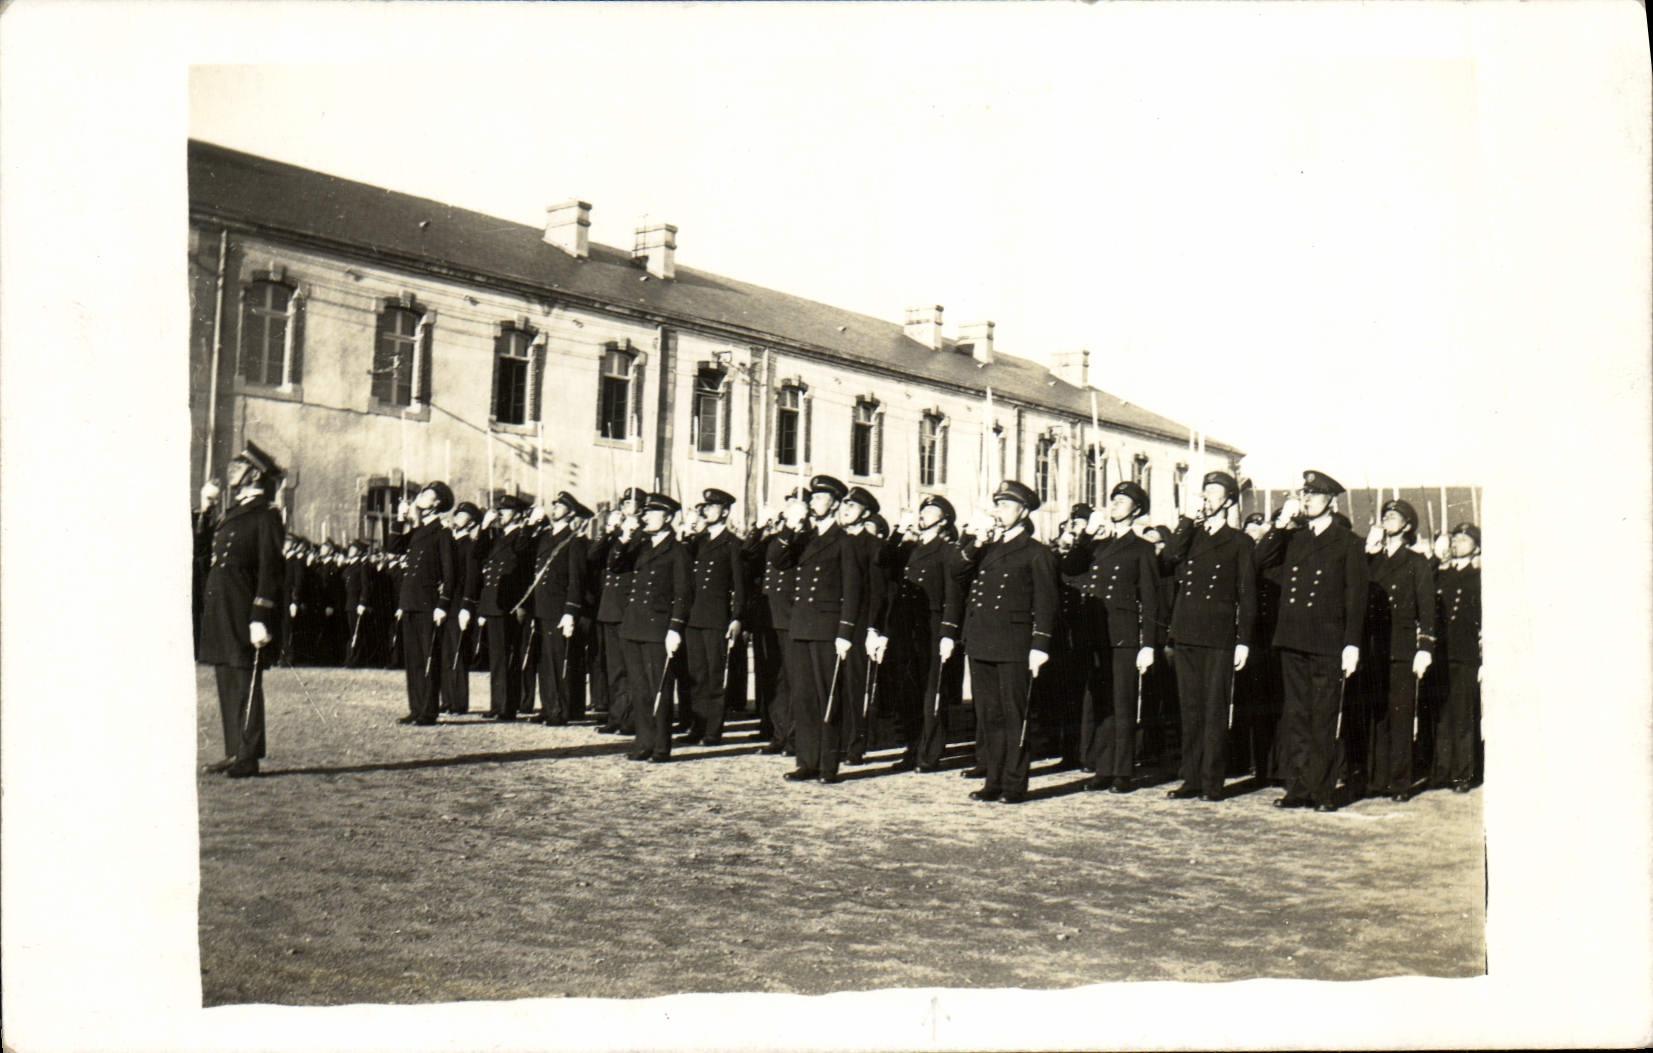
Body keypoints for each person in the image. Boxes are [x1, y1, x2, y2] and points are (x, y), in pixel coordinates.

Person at [1253, 470, 1369, 812]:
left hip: (1328, 640)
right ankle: (1298, 787)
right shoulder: (1295, 538)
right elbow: (1259, 562)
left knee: (1323, 716)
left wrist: (1352, 644)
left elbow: (1355, 597)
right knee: (1297, 715)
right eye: (1303, 495)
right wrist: (1280, 526)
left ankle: (1322, 790)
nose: (1306, 500)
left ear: (1330, 501)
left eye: (1313, 495)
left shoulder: (1348, 542)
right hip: (1293, 637)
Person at [946, 480, 1059, 804]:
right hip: (981, 641)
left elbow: (1046, 603)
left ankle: (1013, 783)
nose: (999, 512)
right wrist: (975, 542)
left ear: (1023, 512)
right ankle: (992, 779)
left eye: (1006, 506)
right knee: (988, 716)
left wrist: (1040, 645)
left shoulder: (1037, 552)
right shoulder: (986, 547)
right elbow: (956, 573)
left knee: (1013, 716)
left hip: (1014, 645)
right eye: (997, 505)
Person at [1058, 483, 1161, 794]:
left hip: (1124, 636)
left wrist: (1148, 644)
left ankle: (1122, 772)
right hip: (1097, 635)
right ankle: (1103, 768)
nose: (1114, 504)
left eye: (1122, 501)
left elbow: (1152, 599)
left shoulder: (1141, 548)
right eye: (1113, 500)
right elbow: (1069, 567)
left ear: (1137, 510)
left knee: (1124, 703)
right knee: (1101, 703)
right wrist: (1087, 535)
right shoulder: (1097, 546)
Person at [1160, 471, 1256, 802]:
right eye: (1205, 491)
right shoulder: (1191, 536)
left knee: (1214, 710)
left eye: (1214, 492)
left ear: (1228, 501)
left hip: (1218, 637)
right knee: (1190, 709)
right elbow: (1168, 558)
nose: (1207, 497)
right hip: (1186, 633)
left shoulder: (1240, 541)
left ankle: (1212, 780)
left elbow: (1247, 594)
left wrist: (1243, 639)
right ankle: (1192, 778)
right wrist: (1187, 521)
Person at [196, 441, 287, 778]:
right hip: (222, 610)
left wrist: (261, 616)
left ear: (254, 475)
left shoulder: (265, 516)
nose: (232, 470)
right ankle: (234, 751)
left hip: (244, 611)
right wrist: (206, 508)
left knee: (245, 680)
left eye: (239, 466)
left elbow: (271, 570)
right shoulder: (232, 513)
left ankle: (248, 755)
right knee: (226, 681)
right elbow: (203, 551)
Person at [772, 475, 865, 784]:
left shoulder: (844, 541)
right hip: (800, 625)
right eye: (812, 498)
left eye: (820, 498)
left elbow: (853, 590)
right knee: (803, 696)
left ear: (835, 504)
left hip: (827, 629)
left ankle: (827, 764)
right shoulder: (804, 537)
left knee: (828, 697)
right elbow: (777, 560)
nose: (813, 502)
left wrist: (845, 632)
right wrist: (789, 526)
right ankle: (806, 761)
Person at [1360, 499, 1436, 802]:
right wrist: (1368, 553)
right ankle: (1377, 779)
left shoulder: (1417, 562)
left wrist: (1425, 646)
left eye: (1395, 516)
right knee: (1376, 716)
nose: (1388, 519)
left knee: (1401, 715)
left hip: (1402, 649)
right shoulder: (1372, 560)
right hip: (1374, 648)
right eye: (1386, 515)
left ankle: (1400, 782)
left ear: (1407, 526)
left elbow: (1427, 609)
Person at [609, 492, 692, 762]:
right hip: (633, 626)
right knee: (639, 688)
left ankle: (660, 746)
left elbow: (683, 593)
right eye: (644, 513)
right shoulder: (640, 545)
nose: (645, 517)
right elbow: (616, 565)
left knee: (659, 688)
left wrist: (675, 628)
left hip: (658, 628)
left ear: (667, 518)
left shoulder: (677, 550)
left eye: (651, 513)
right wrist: (623, 537)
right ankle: (643, 742)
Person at [888, 495, 966, 772]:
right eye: (922, 511)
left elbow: (953, 596)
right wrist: (899, 531)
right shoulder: (910, 547)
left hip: (933, 627)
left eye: (930, 512)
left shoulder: (947, 550)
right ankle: (912, 747)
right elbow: (882, 559)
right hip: (908, 627)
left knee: (933, 691)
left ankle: (930, 753)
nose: (923, 515)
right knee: (910, 691)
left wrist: (948, 632)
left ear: (944, 521)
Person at [683, 489, 747, 746]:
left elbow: (740, 585)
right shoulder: (696, 542)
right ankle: (698, 725)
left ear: (725, 511)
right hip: (694, 616)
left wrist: (737, 617)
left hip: (716, 617)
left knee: (714, 676)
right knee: (696, 675)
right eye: (704, 507)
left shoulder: (733, 544)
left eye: (712, 507)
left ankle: (713, 729)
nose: (706, 511)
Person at [750, 486, 808, 754]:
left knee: (794, 679)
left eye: (794, 504)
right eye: (787, 503)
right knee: (773, 679)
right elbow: (748, 555)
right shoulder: (777, 537)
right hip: (769, 616)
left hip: (792, 615)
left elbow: (785, 560)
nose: (788, 508)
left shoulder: (807, 538)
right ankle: (779, 732)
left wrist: (794, 528)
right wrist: (758, 526)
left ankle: (796, 737)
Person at [395, 481, 458, 726]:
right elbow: (394, 547)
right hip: (410, 601)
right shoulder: (419, 530)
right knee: (413, 659)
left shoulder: (442, 533)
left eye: (426, 495)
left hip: (428, 604)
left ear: (437, 504)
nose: (420, 498)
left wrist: (443, 604)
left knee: (429, 656)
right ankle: (416, 706)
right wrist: (400, 519)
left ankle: (428, 710)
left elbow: (450, 573)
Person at [528, 491, 593, 725]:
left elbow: (576, 580)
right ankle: (547, 706)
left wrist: (570, 612)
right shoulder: (545, 537)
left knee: (558, 660)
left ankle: (560, 710)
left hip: (559, 608)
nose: (554, 507)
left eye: (561, 505)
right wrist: (531, 523)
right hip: (542, 607)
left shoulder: (573, 541)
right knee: (545, 660)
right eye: (554, 504)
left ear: (571, 512)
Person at [591, 487, 647, 735]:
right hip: (610, 607)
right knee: (613, 668)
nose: (626, 507)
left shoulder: (644, 536)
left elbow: (628, 564)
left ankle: (631, 718)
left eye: (631, 503)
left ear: (642, 509)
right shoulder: (618, 533)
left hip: (628, 607)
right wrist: (610, 532)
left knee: (630, 667)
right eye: (624, 503)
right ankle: (616, 715)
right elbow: (592, 558)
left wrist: (627, 537)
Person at [1431, 523, 1482, 793]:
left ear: (1476, 546)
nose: (1457, 543)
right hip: (1442, 653)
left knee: (1463, 715)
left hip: (1465, 654)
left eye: (1464, 539)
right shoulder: (1442, 574)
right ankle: (1442, 770)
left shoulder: (1479, 577)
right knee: (1442, 713)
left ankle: (1463, 773)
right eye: (1455, 539)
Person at [841, 487, 888, 765]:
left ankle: (855, 745)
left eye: (853, 506)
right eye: (845, 504)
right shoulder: (835, 541)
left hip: (859, 626)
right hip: (832, 624)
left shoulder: (873, 546)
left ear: (866, 514)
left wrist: (873, 628)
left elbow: (877, 592)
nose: (846, 509)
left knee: (855, 687)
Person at [476, 494, 532, 720]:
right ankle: (497, 703)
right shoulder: (497, 536)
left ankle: (507, 706)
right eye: (500, 510)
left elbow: (522, 561)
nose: (501, 514)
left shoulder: (521, 536)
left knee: (508, 655)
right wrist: (484, 527)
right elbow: (477, 554)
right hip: (493, 602)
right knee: (496, 656)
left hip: (509, 604)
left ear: (517, 514)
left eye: (506, 510)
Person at [440, 503, 481, 715]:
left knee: (457, 652)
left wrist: (466, 605)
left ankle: (459, 701)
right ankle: (446, 699)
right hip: (445, 603)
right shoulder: (449, 541)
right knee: (445, 652)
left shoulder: (469, 545)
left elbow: (472, 579)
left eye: (463, 515)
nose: (458, 517)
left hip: (458, 604)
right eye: (457, 513)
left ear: (472, 521)